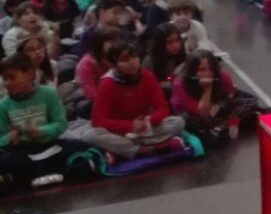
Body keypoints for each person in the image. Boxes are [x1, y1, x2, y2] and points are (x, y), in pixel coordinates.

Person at [82, 42, 186, 162]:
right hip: (119, 132)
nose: (132, 62)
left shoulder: (147, 76)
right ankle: (146, 148)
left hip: (145, 129)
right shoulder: (107, 83)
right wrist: (130, 125)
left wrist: (149, 120)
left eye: (134, 57)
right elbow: (98, 120)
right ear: (114, 65)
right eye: (125, 60)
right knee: (90, 136)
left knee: (178, 122)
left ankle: (123, 150)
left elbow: (162, 107)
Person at [0, 53, 84, 191]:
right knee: (9, 160)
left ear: (30, 74)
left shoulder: (49, 93)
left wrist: (41, 131)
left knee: (77, 147)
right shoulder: (3, 105)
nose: (8, 83)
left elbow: (60, 123)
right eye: (5, 79)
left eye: (12, 77)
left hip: (49, 145)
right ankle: (42, 172)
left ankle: (34, 174)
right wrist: (9, 138)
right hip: (22, 150)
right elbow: (1, 138)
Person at [171, 50, 260, 146]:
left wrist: (220, 105)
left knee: (250, 103)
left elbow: (231, 95)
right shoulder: (180, 85)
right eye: (201, 70)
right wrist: (207, 88)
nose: (207, 74)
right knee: (198, 122)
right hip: (193, 114)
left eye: (210, 69)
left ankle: (224, 124)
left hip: (216, 106)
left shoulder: (222, 77)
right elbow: (202, 113)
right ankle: (223, 125)